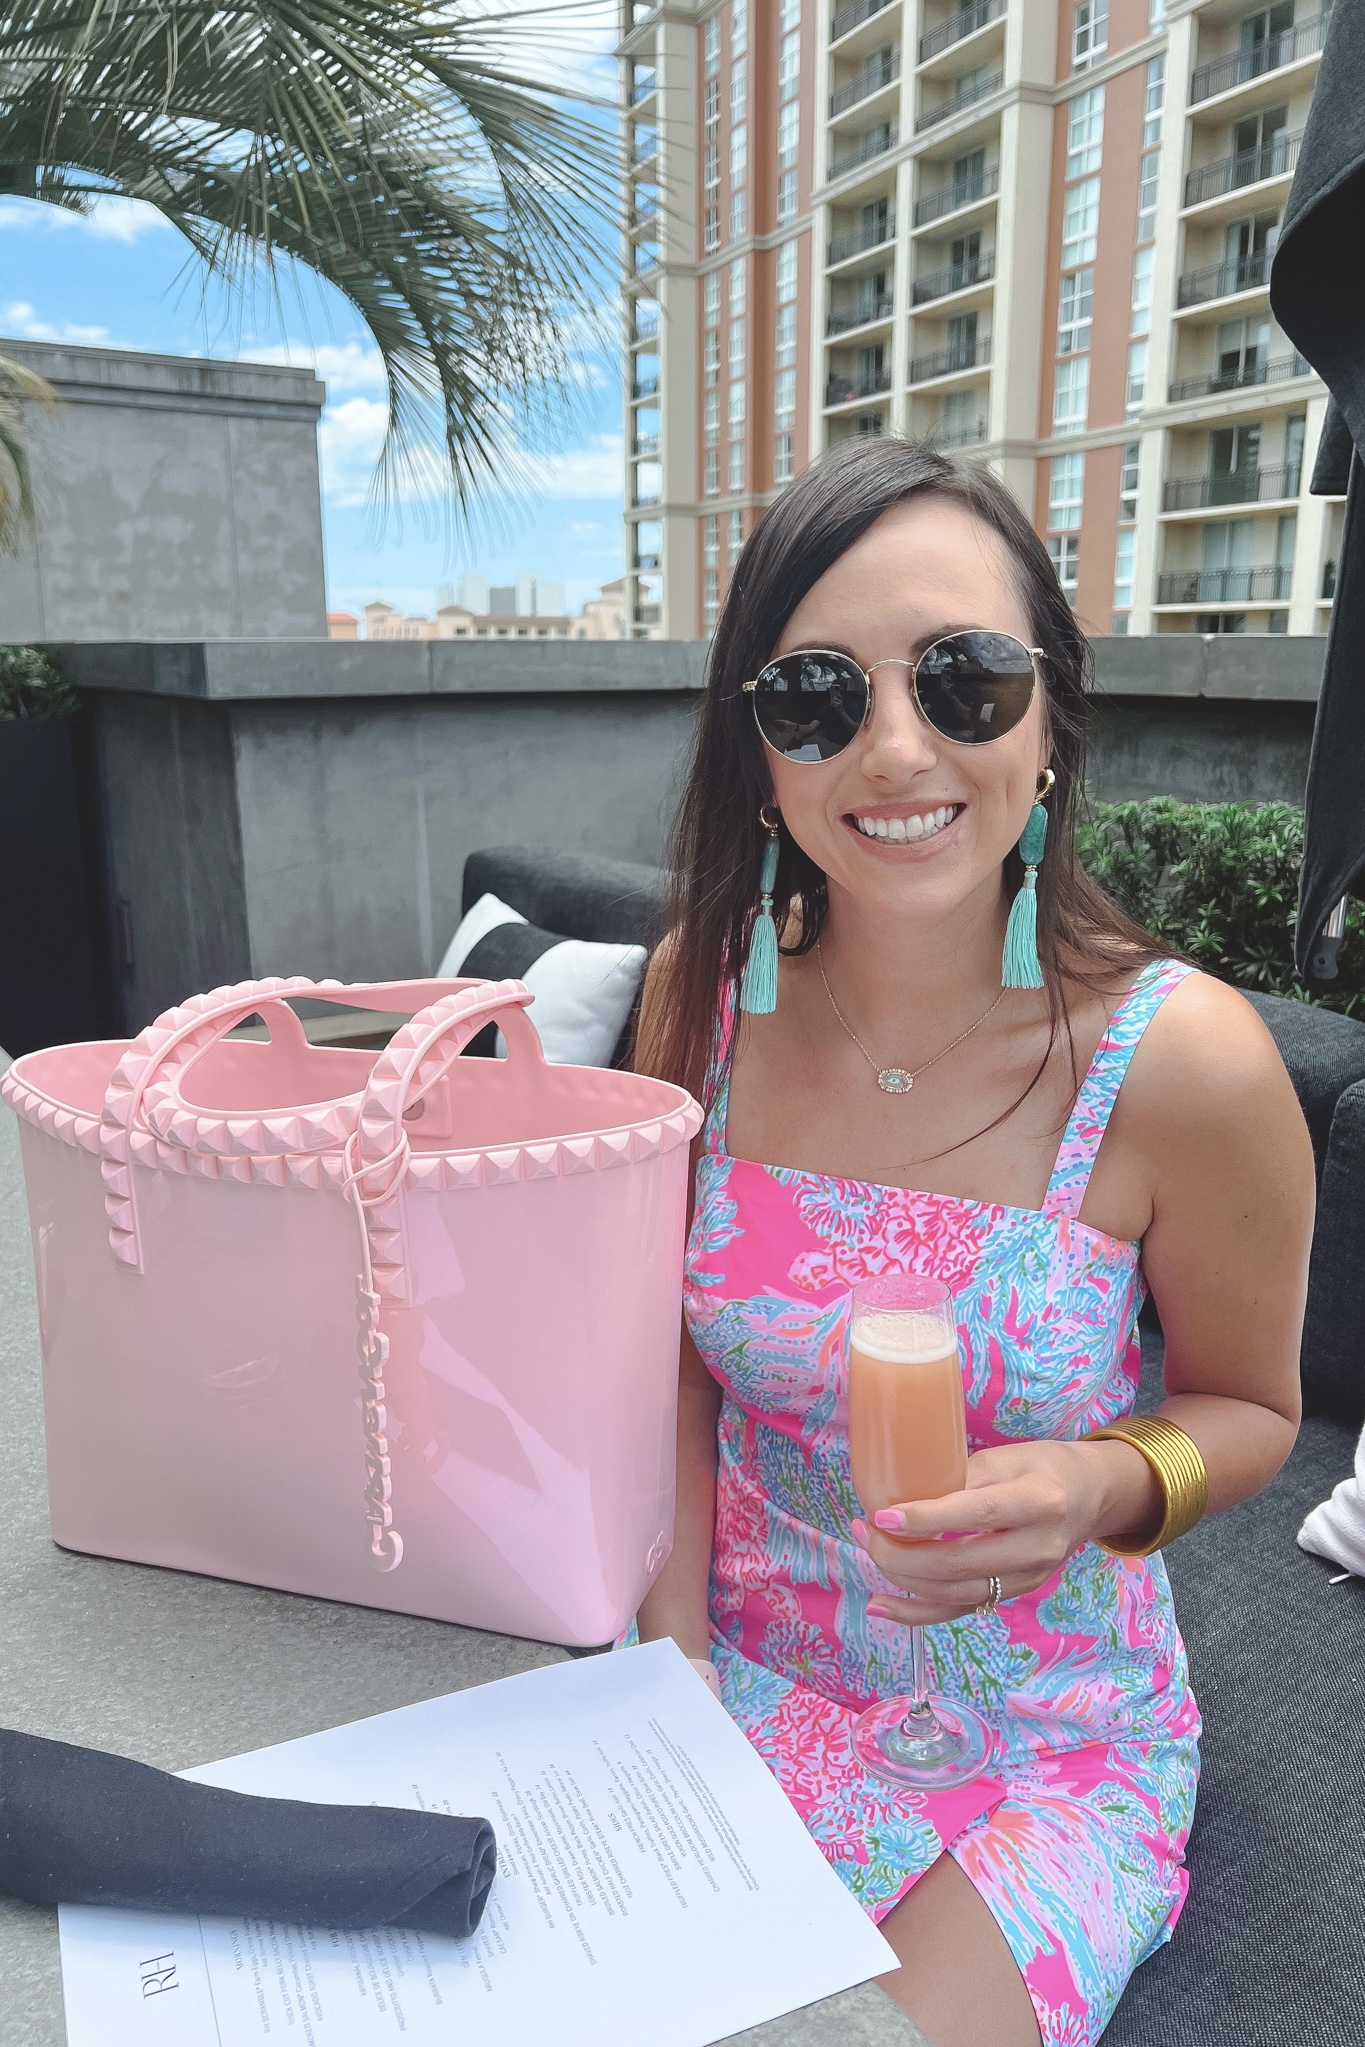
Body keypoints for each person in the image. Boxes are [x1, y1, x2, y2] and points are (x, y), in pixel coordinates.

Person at [632, 439, 1312, 2047]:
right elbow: (659, 1359)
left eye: (962, 680)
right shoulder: (699, 994)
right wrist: (660, 1669)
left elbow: (1254, 1410)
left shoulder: (1182, 1065)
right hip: (724, 1672)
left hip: (1039, 1736)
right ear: (759, 753)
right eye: (814, 695)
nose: (891, 747)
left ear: (1049, 717)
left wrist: (1092, 1484)